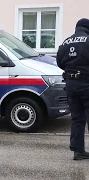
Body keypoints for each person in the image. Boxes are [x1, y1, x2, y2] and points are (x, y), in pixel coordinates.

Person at [56, 18, 89, 160]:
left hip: (70, 84)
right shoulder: (88, 40)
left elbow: (59, 62)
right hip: (86, 84)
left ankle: (78, 151)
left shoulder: (65, 42)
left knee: (77, 118)